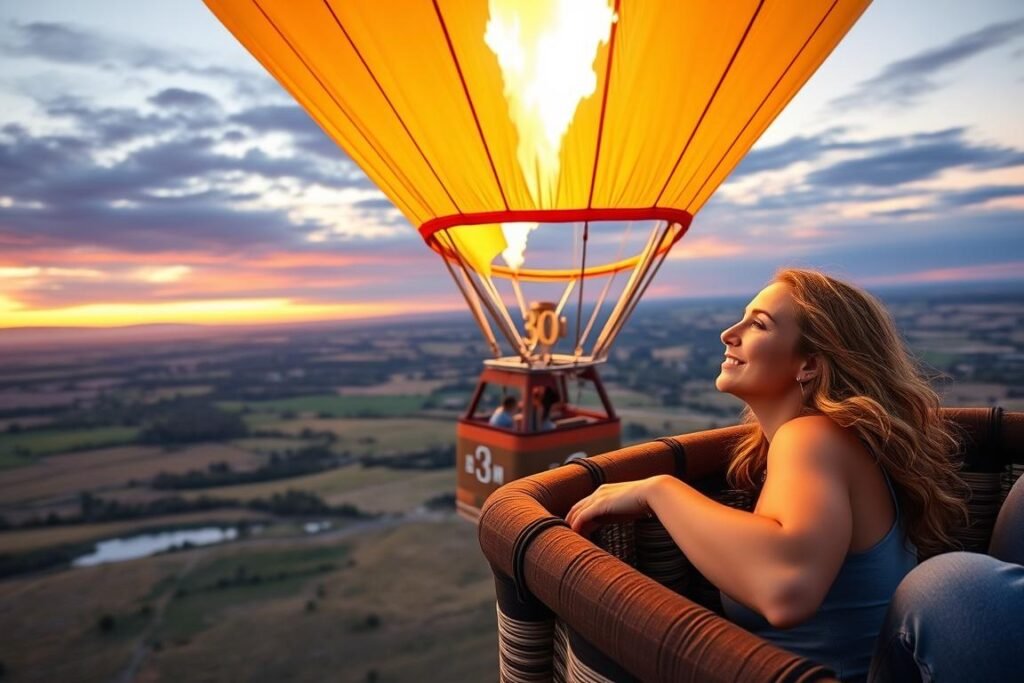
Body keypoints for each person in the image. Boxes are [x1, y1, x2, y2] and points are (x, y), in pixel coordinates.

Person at [565, 268, 969, 682]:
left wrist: (659, 490)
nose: (728, 333)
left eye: (758, 324)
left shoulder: (812, 437)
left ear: (808, 364)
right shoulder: (837, 445)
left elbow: (786, 591)